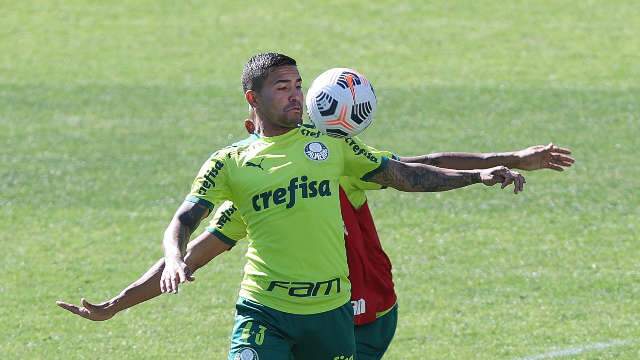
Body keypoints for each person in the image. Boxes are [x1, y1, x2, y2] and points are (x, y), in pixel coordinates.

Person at [57, 52, 530, 360]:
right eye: (283, 87)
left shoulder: (331, 150)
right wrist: (119, 303)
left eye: (298, 85)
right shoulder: (234, 167)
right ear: (253, 100)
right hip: (264, 311)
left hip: (333, 315)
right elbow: (185, 230)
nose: (296, 94)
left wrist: (480, 174)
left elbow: (407, 172)